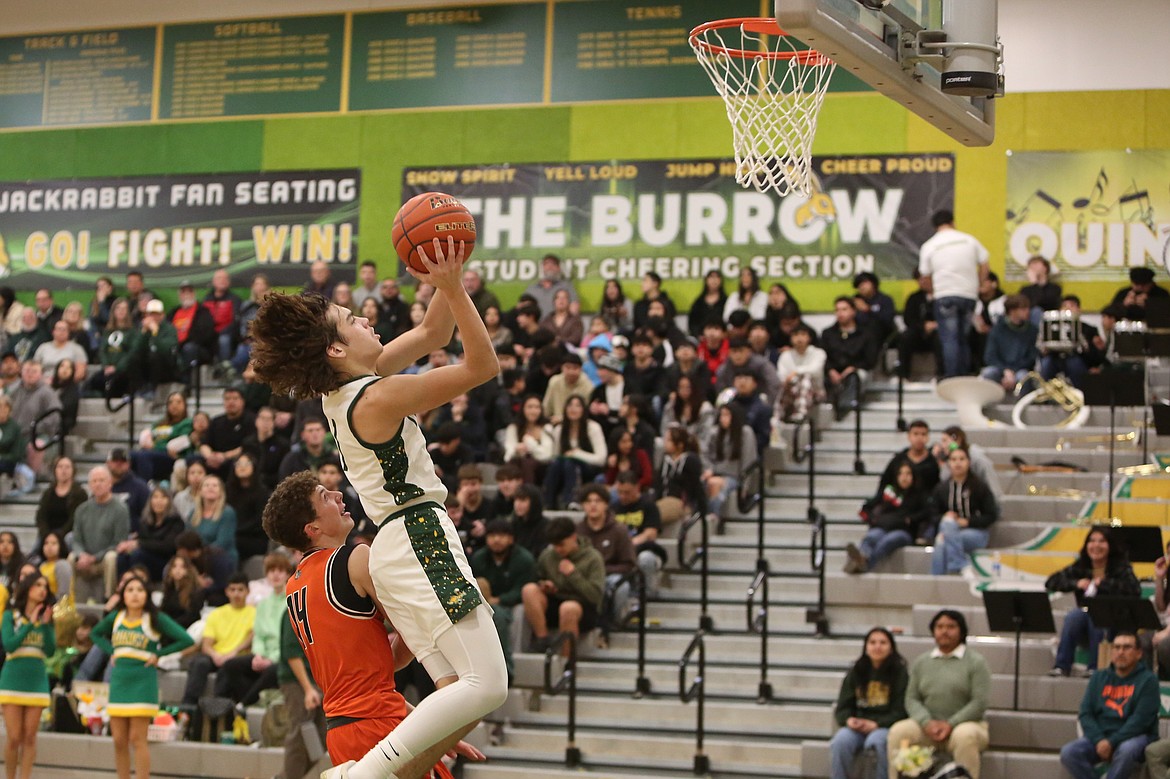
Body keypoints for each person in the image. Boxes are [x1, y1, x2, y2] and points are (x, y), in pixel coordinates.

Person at [250, 236, 508, 779]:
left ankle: (379, 768)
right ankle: (358, 776)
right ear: (337, 350)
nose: (368, 318)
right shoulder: (376, 398)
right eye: (352, 318)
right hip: (416, 534)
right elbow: (481, 367)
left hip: (398, 542)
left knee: (456, 689)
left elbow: (437, 332)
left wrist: (448, 271)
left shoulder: (347, 387)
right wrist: (456, 287)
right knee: (488, 684)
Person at [262, 472, 475, 779]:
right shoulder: (355, 558)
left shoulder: (294, 585)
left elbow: (363, 673)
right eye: (324, 496)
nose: (337, 496)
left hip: (342, 732)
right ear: (313, 528)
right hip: (376, 726)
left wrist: (423, 722)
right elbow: (414, 631)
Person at [92, 574, 193, 779]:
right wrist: (111, 650)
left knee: (137, 739)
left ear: (147, 595)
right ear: (123, 595)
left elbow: (186, 639)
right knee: (119, 740)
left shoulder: (155, 619)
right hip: (119, 681)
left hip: (142, 682)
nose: (135, 594)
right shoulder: (116, 617)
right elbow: (95, 633)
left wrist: (159, 655)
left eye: (140, 590)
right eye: (130, 590)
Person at [887, 610, 990, 779]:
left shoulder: (976, 662)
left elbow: (979, 702)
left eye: (951, 626)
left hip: (965, 725)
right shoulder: (922, 662)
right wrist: (927, 723)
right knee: (899, 731)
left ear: (961, 631)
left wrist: (950, 724)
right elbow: (911, 698)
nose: (944, 631)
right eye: (940, 626)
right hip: (928, 728)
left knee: (965, 736)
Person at [1061, 631, 1159, 779]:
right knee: (1069, 752)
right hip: (1102, 737)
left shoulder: (1148, 680)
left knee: (1126, 750)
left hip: (1136, 738)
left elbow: (1141, 721)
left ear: (1139, 653)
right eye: (1117, 647)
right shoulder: (1099, 677)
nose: (1120, 652)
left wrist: (1111, 742)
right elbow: (1086, 713)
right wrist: (1100, 740)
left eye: (1127, 647)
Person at [1046, 526, 1140, 677]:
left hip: (1114, 619)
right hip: (1085, 615)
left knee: (1097, 618)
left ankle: (1095, 668)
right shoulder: (1081, 565)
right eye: (1092, 541)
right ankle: (1061, 666)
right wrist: (1076, 584)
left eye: (1101, 541)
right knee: (1073, 617)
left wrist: (1103, 584)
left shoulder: (1120, 567)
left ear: (1110, 545)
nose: (1096, 545)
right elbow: (1052, 581)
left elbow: (1134, 589)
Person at [918, 210, 990, 378]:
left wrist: (935, 291)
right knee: (963, 338)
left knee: (949, 339)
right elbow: (985, 264)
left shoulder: (929, 245)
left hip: (945, 295)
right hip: (968, 295)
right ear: (953, 222)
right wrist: (978, 285)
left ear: (935, 227)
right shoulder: (969, 240)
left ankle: (952, 378)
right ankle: (964, 375)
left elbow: (924, 276)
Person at [830, 627, 908, 779]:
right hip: (858, 727)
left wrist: (876, 724)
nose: (877, 646)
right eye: (872, 642)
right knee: (840, 740)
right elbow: (843, 707)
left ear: (891, 648)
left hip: (886, 727)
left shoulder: (900, 673)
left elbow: (901, 711)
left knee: (875, 742)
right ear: (866, 647)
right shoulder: (856, 672)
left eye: (883, 643)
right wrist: (849, 720)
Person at [521, 516, 606, 654]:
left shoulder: (593, 558)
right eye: (554, 545)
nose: (558, 549)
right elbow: (539, 578)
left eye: (561, 544)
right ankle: (542, 639)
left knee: (568, 608)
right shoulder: (548, 555)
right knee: (529, 590)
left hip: (583, 607)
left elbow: (595, 596)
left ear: (573, 537)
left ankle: (567, 661)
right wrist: (544, 585)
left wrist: (573, 574)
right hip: (555, 600)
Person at [0, 572, 54, 779]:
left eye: (45, 586)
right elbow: (10, 645)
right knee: (14, 737)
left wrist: (47, 625)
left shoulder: (46, 617)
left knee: (30, 737)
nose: (43, 590)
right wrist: (29, 623)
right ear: (27, 587)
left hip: (37, 681)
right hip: (12, 679)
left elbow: (49, 651)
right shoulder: (9, 615)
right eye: (38, 585)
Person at [470, 518, 536, 685]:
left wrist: (500, 599)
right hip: (485, 602)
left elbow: (523, 587)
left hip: (513, 604)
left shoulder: (524, 559)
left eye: (501, 535)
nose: (496, 540)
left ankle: (508, 665)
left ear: (511, 539)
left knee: (502, 614)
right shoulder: (478, 558)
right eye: (492, 535)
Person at [180, 574, 256, 711]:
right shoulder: (216, 614)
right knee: (199, 662)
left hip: (237, 657)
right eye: (232, 590)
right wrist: (215, 655)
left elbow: (251, 638)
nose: (236, 594)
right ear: (227, 592)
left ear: (247, 591)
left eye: (240, 589)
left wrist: (233, 653)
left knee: (230, 666)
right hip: (217, 655)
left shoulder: (255, 613)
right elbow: (206, 644)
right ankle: (188, 707)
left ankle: (218, 710)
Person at [845, 461, 929, 574]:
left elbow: (926, 513)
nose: (904, 477)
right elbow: (867, 507)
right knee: (871, 537)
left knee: (888, 541)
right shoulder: (888, 492)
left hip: (903, 532)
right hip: (883, 527)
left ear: (913, 476)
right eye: (901, 474)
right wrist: (873, 519)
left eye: (908, 474)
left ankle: (864, 565)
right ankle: (860, 558)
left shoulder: (919, 495)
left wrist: (910, 520)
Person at [928, 447, 998, 575]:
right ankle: (958, 566)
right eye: (953, 459)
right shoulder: (941, 488)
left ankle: (937, 580)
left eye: (962, 459)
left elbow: (991, 515)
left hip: (977, 533)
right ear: (948, 463)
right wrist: (945, 517)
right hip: (949, 531)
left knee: (942, 540)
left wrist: (967, 522)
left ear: (969, 462)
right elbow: (933, 516)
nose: (958, 463)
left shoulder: (980, 487)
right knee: (946, 527)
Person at [71, 465, 131, 604]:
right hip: (85, 558)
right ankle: (70, 601)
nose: (98, 484)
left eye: (102, 480)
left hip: (104, 558)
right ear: (90, 485)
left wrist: (94, 558)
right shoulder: (82, 509)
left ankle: (109, 598)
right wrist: (81, 555)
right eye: (94, 481)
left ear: (110, 483)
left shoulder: (120, 509)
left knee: (111, 557)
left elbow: (118, 543)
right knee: (70, 558)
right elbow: (76, 540)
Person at [545, 395, 607, 510]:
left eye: (577, 406)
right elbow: (555, 455)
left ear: (584, 409)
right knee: (556, 464)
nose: (573, 409)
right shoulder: (559, 429)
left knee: (570, 462)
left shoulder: (593, 427)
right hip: (564, 468)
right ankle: (548, 502)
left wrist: (576, 453)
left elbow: (601, 459)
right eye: (570, 405)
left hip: (589, 468)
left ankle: (572, 500)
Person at [821, 297, 878, 420]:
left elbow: (870, 359)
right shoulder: (828, 333)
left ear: (853, 311)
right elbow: (822, 356)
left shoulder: (866, 333)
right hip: (833, 371)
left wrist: (853, 368)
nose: (840, 313)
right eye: (837, 310)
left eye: (844, 309)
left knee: (855, 377)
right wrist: (830, 370)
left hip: (857, 369)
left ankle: (845, 409)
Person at [612, 472, 666, 601]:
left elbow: (650, 533)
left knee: (645, 558)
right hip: (620, 551)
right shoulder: (613, 507)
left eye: (627, 492)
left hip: (645, 549)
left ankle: (648, 595)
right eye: (620, 492)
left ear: (637, 488)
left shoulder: (648, 505)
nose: (623, 496)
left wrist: (630, 543)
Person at [116, 487, 184, 583]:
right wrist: (128, 545)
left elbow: (168, 546)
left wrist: (139, 544)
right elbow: (140, 539)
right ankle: (122, 587)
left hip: (163, 561)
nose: (158, 501)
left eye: (163, 497)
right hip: (144, 555)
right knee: (122, 557)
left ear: (169, 501)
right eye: (155, 497)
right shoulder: (146, 521)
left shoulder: (176, 522)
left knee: (137, 555)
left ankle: (138, 586)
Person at [703, 404, 757, 523]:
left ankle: (713, 517)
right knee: (705, 481)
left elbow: (748, 460)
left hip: (735, 476)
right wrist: (709, 469)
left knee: (714, 483)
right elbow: (705, 453)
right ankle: (704, 515)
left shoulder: (745, 433)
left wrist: (745, 486)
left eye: (727, 415)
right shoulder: (714, 432)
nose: (723, 418)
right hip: (715, 472)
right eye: (721, 415)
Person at [979, 293, 1038, 391]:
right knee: (988, 373)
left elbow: (1031, 357)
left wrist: (1013, 371)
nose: (1028, 311)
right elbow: (990, 356)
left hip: (1020, 369)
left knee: (1023, 377)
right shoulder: (997, 329)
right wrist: (1006, 371)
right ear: (1012, 311)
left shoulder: (1032, 330)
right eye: (1023, 309)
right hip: (1000, 368)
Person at [131, 392, 193, 483]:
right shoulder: (159, 423)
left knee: (143, 456)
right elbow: (149, 439)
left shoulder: (187, 423)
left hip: (172, 457)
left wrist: (155, 446)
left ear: (185, 405)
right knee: (131, 455)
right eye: (171, 402)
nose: (174, 405)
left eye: (178, 402)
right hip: (154, 454)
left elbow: (178, 445)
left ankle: (144, 488)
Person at [189, 475, 238, 588]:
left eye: (215, 486)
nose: (210, 488)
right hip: (198, 559)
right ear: (200, 491)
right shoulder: (193, 514)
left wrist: (198, 554)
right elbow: (188, 540)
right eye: (206, 485)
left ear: (221, 492)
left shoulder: (227, 513)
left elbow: (222, 543)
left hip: (221, 559)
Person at [200, 386, 256, 479]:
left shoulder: (251, 420)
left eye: (235, 398)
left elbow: (248, 446)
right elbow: (204, 444)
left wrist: (224, 456)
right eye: (227, 399)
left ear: (242, 401)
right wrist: (209, 456)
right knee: (194, 461)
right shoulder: (216, 421)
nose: (231, 402)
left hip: (237, 458)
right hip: (214, 459)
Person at [776, 323, 827, 422]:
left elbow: (815, 370)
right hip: (792, 391)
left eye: (803, 335)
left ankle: (801, 414)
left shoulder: (819, 353)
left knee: (806, 379)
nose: (799, 338)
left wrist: (796, 372)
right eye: (796, 335)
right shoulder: (785, 355)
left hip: (815, 392)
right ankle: (777, 420)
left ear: (809, 338)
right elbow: (782, 376)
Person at [503, 395, 554, 485]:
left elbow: (547, 455)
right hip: (517, 465)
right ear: (523, 409)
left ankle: (527, 493)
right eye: (530, 407)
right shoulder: (514, 428)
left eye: (537, 407)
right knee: (514, 464)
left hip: (541, 468)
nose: (533, 411)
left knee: (527, 463)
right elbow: (507, 456)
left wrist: (530, 444)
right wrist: (516, 449)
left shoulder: (546, 428)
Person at [35, 455, 87, 542]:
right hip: (48, 533)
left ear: (73, 470)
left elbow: (75, 519)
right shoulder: (48, 493)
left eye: (67, 467)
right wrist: (45, 533)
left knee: (68, 539)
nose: (63, 470)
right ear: (55, 470)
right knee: (39, 545)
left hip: (68, 533)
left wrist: (59, 534)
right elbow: (41, 515)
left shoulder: (80, 493)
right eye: (60, 467)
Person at [542, 352, 592, 425]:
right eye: (568, 367)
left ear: (581, 369)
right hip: (554, 423)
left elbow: (585, 413)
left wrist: (562, 419)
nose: (571, 371)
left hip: (578, 424)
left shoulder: (588, 386)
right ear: (562, 368)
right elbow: (546, 408)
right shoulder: (554, 381)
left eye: (575, 368)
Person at [852, 272, 897, 347]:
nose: (861, 287)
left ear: (873, 283)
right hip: (858, 335)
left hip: (880, 334)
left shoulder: (885, 300)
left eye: (864, 283)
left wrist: (868, 309)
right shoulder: (855, 300)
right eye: (859, 285)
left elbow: (887, 320)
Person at [510, 484, 548, 560]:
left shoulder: (546, 526)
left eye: (523, 500)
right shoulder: (512, 524)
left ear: (534, 502)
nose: (518, 504)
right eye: (516, 500)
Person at [688, 271, 727, 338]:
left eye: (717, 277)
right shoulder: (699, 302)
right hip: (701, 338)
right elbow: (692, 323)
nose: (714, 280)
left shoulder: (726, 301)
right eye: (711, 277)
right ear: (706, 280)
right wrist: (698, 335)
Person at [34, 531, 71, 602]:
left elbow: (64, 594)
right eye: (46, 543)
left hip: (60, 609)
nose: (49, 546)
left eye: (54, 543)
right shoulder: (42, 566)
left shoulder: (62, 565)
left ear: (61, 546)